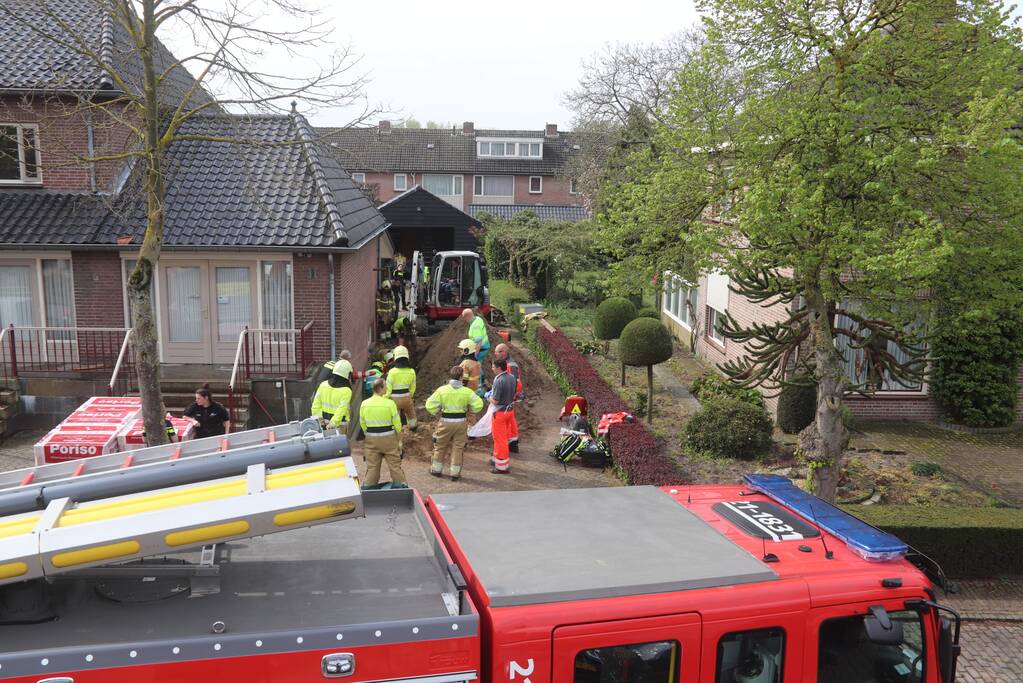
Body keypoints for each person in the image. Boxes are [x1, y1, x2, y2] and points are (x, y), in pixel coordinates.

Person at [425, 365, 485, 481]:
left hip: (445, 422)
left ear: (451, 376)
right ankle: (455, 473)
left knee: (440, 446)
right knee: (458, 448)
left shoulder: (442, 390)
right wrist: (470, 410)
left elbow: (429, 405)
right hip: (461, 422)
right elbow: (478, 405)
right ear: (461, 377)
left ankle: (436, 470)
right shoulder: (467, 392)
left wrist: (437, 411)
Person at [359, 378, 406, 488]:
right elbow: (397, 424)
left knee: (372, 468)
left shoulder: (364, 404)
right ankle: (401, 488)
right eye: (385, 386)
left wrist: (369, 433)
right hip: (389, 439)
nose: (387, 388)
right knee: (395, 466)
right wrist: (399, 439)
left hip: (371, 440)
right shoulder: (390, 403)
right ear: (381, 388)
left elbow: (363, 423)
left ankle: (368, 490)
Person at [488, 357, 518, 474]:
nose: (492, 368)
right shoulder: (512, 377)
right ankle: (496, 457)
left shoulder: (499, 380)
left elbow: (495, 401)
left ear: (499, 368)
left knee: (499, 439)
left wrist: (487, 396)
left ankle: (502, 466)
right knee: (502, 437)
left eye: (493, 367)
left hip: (500, 414)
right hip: (509, 412)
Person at [493, 343, 522, 452]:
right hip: (511, 395)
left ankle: (509, 444)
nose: (496, 354)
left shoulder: (511, 365)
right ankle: (513, 443)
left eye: (499, 352)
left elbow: (511, 382)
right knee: (510, 419)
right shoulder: (508, 363)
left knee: (508, 420)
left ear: (505, 352)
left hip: (510, 396)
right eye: (496, 352)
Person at [310, 360, 353, 431]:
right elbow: (341, 410)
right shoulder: (346, 390)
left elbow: (315, 406)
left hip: (323, 424)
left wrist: (320, 422)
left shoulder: (323, 385)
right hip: (340, 425)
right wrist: (332, 425)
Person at [385, 344, 417, 431]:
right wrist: (409, 396)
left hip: (394, 399)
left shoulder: (392, 372)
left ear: (396, 357)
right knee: (411, 413)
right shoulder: (411, 371)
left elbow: (388, 388)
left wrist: (385, 398)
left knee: (395, 416)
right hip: (407, 397)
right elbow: (413, 387)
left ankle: (397, 430)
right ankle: (413, 427)